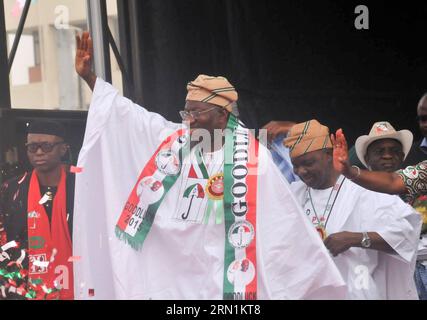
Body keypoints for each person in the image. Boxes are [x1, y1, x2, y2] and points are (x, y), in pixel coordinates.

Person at [73, 31, 346, 300]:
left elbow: (281, 226)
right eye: (186, 111)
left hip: (229, 281)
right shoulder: (173, 142)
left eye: (195, 112)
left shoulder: (254, 159)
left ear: (221, 115)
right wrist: (90, 77)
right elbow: (129, 118)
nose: (188, 119)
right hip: (181, 279)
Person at [285, 120, 421, 299]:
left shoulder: (367, 190)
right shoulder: (292, 195)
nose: (301, 171)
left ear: (329, 154)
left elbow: (407, 233)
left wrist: (356, 238)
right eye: (296, 165)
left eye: (308, 163)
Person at [0, 120, 75, 300]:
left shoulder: (81, 186)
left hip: (78, 284)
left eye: (46, 146)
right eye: (33, 147)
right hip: (24, 289)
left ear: (63, 149)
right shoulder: (11, 190)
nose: (39, 152)